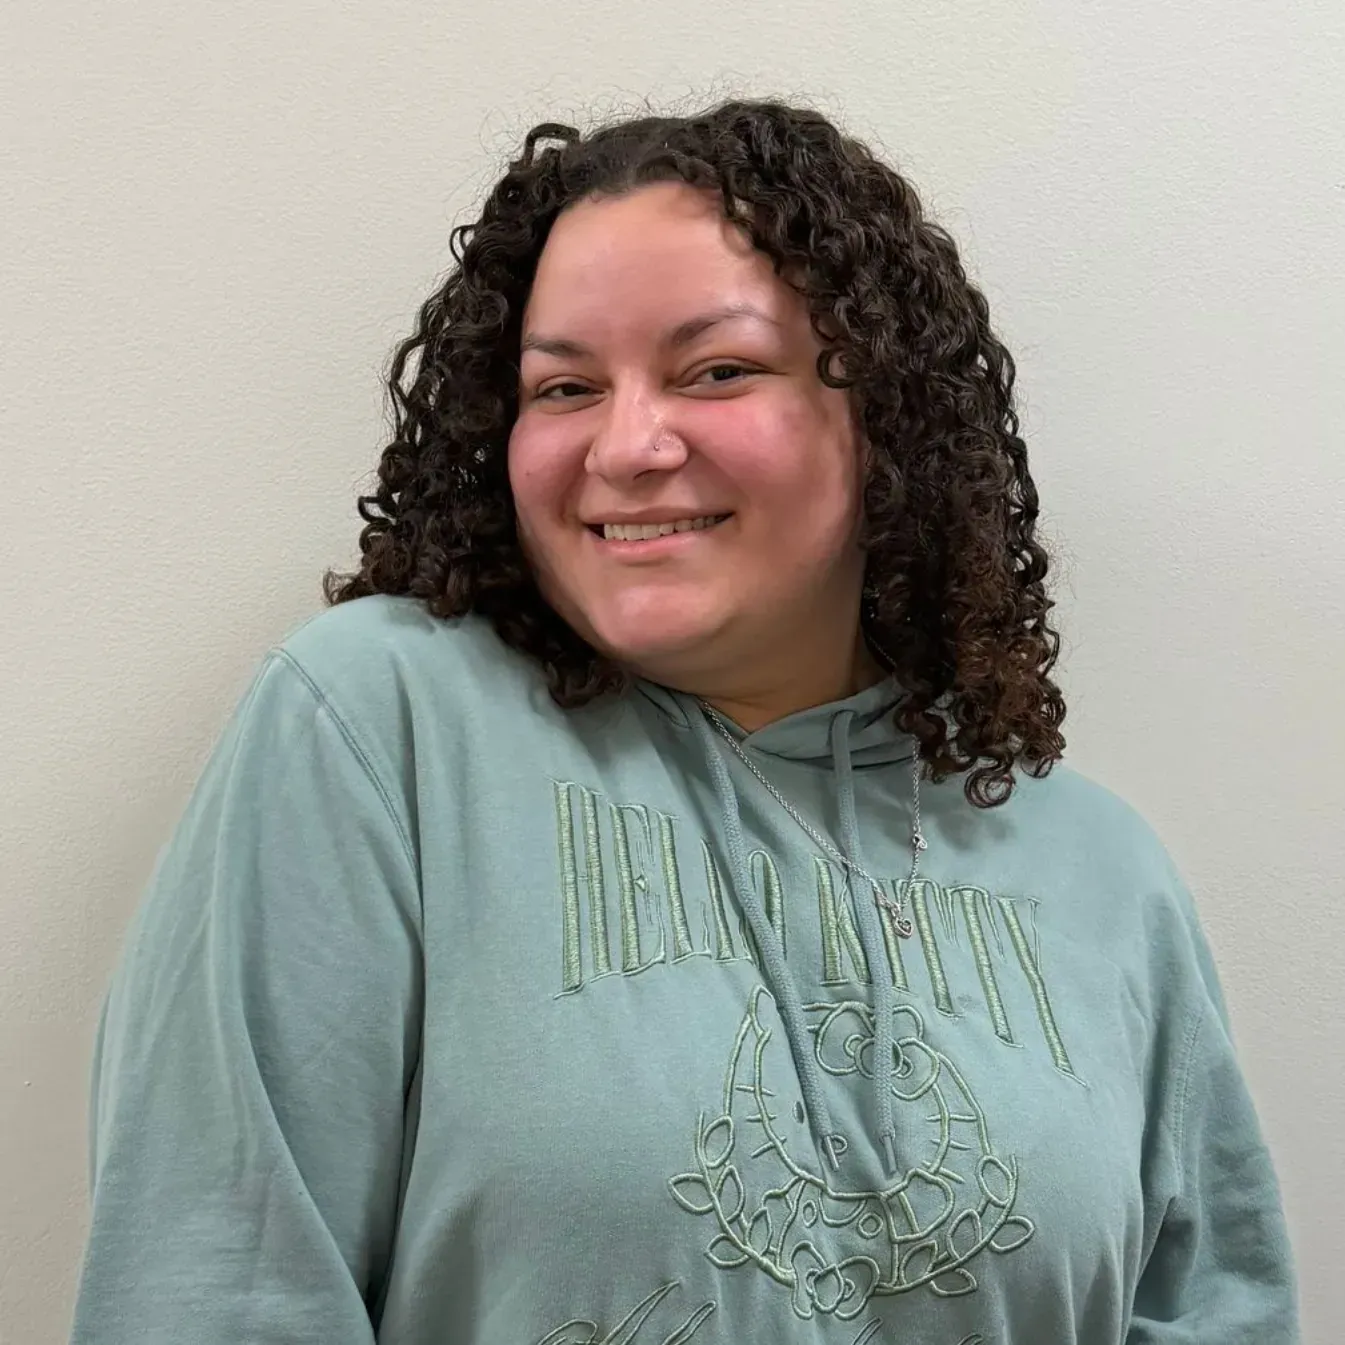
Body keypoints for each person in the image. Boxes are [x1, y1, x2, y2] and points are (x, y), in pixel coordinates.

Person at [70, 99, 1299, 1344]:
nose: (628, 443)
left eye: (716, 370)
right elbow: (215, 1282)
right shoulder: (377, 728)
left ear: (884, 414)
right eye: (565, 386)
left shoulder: (1102, 871)